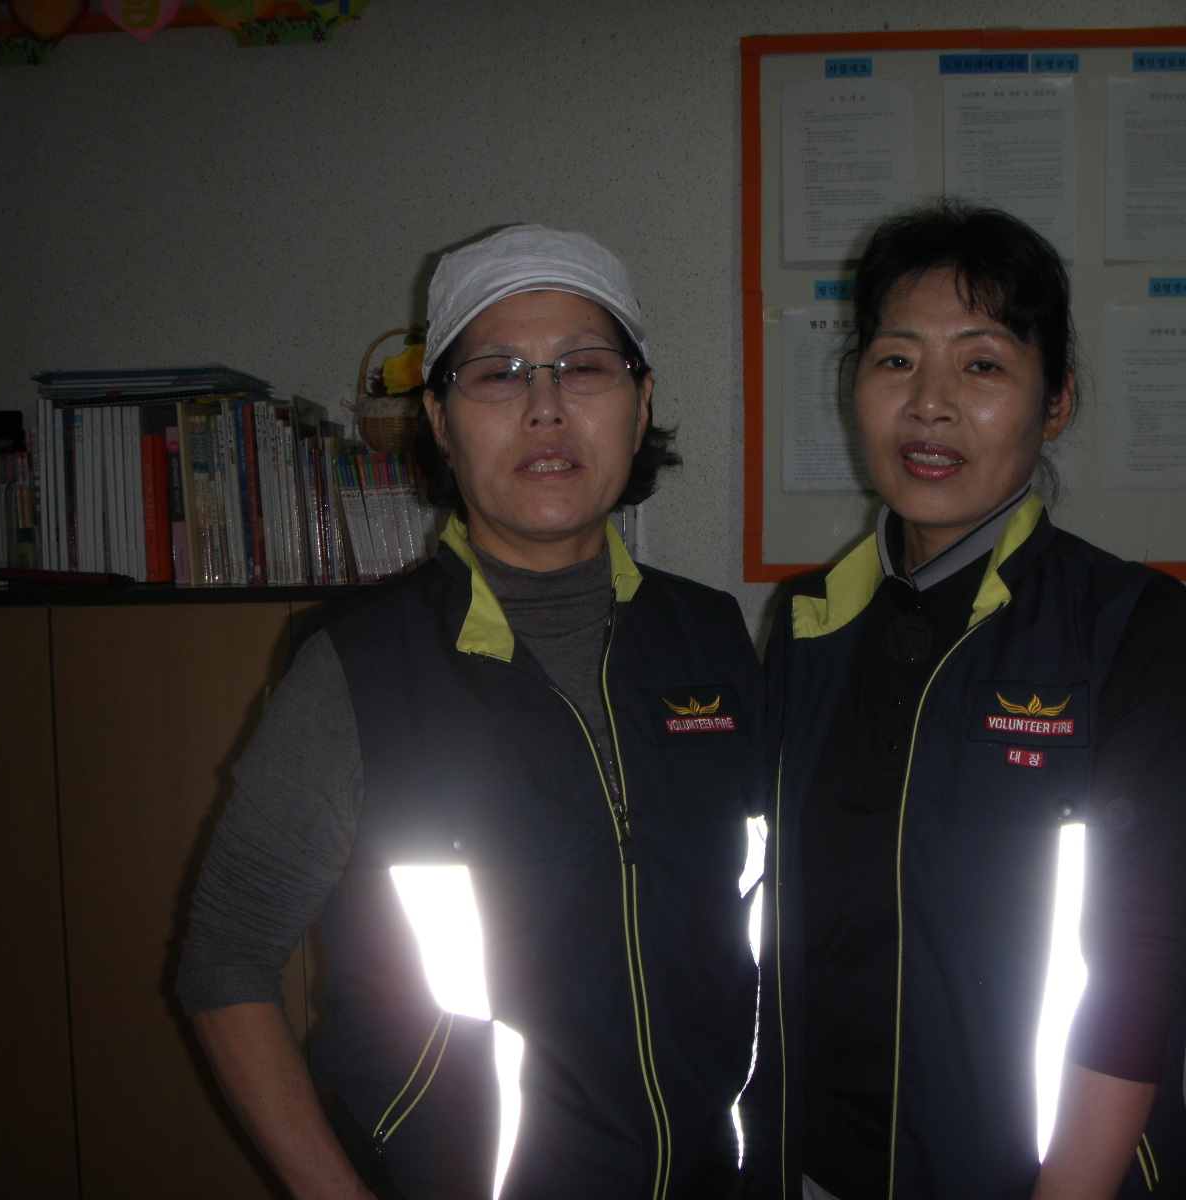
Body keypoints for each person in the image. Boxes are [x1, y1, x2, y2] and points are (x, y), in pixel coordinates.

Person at [178, 225, 765, 1200]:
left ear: (642, 403)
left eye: (585, 367)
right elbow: (225, 961)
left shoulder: (714, 640)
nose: (545, 408)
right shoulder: (358, 669)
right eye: (497, 375)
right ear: (440, 421)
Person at [755, 203, 1186, 1200]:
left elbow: (1145, 959)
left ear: (1056, 402)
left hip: (1043, 1176)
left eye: (981, 364)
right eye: (896, 360)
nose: (929, 404)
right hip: (821, 1164)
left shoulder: (1130, 628)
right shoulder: (807, 623)